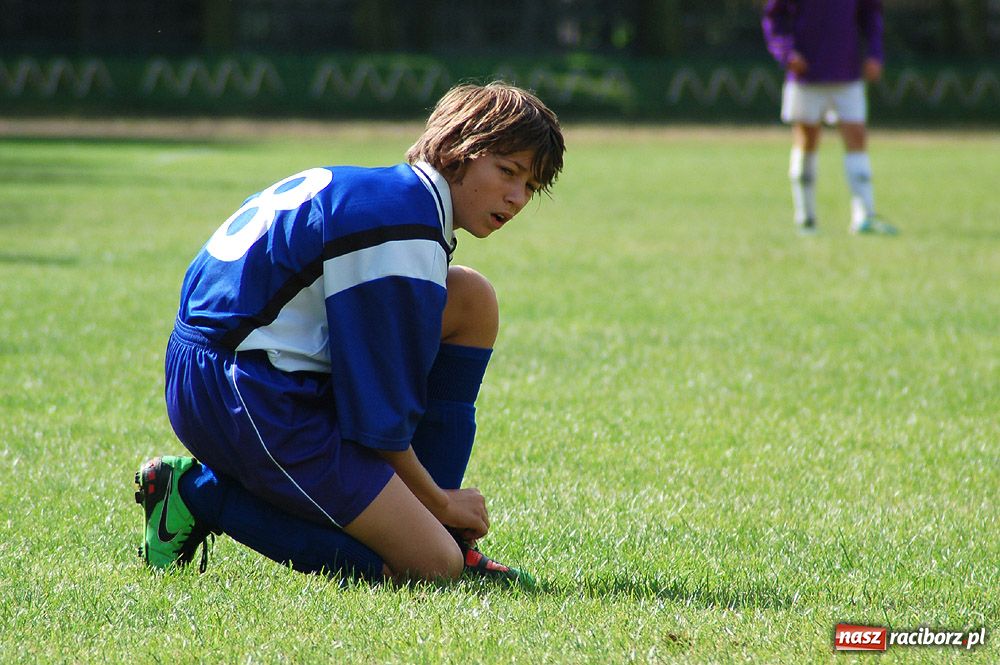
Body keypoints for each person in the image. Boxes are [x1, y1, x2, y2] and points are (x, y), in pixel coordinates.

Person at [133, 81, 565, 585]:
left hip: (237, 368)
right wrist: (440, 501)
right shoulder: (401, 227)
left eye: (530, 187)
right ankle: (195, 494)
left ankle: (446, 539)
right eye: (507, 172)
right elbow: (377, 423)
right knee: (430, 568)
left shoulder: (396, 199)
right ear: (455, 151)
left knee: (470, 300)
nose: (516, 198)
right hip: (246, 391)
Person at [762, 0, 897, 235]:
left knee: (856, 136)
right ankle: (806, 217)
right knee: (807, 140)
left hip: (846, 71)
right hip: (806, 74)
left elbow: (871, 15)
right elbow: (774, 19)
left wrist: (875, 53)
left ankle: (864, 214)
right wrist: (786, 52)